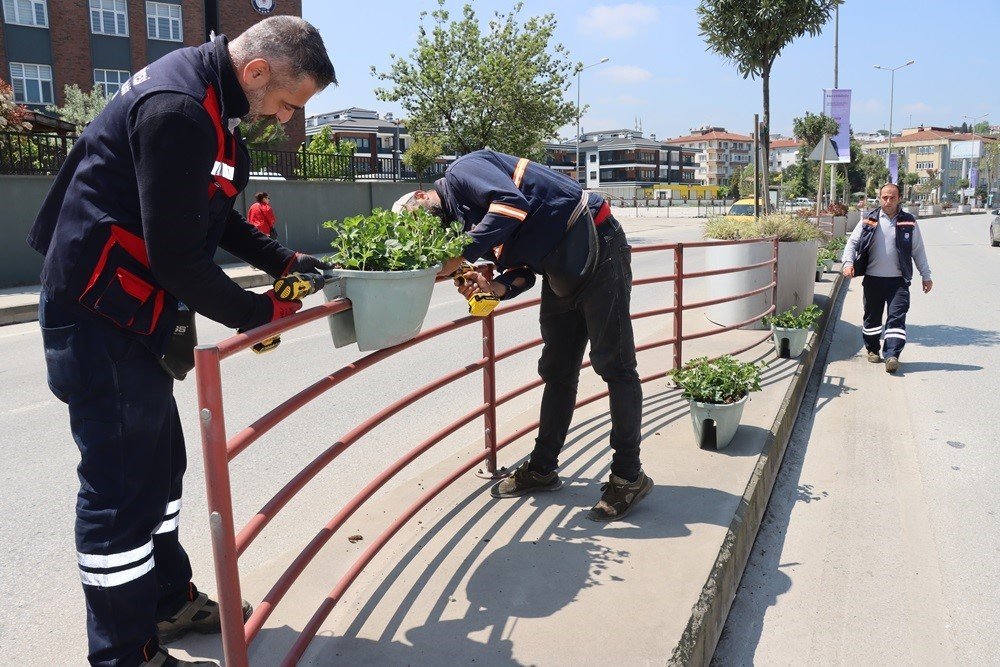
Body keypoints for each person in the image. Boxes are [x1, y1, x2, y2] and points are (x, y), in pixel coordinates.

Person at [26, 17, 335, 667]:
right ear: (255, 72)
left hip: (132, 310)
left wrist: (286, 261)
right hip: (96, 310)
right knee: (120, 494)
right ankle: (123, 652)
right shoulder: (179, 110)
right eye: (286, 103)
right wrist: (257, 314)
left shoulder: (215, 109)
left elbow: (215, 216)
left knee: (161, 472)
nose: (284, 119)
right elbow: (177, 257)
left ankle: (166, 600)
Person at [394, 150, 652, 522]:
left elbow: (511, 204)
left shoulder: (462, 171)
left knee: (616, 367)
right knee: (557, 371)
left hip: (597, 244)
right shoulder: (467, 224)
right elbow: (523, 272)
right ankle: (543, 468)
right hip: (561, 268)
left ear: (420, 197)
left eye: (414, 222)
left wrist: (459, 254)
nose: (421, 232)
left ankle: (629, 476)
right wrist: (494, 288)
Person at [841, 182, 933, 373]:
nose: (888, 201)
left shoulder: (908, 221)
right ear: (880, 198)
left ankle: (892, 354)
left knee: (896, 318)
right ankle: (873, 349)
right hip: (873, 279)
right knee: (872, 318)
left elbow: (918, 251)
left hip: (898, 281)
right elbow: (852, 243)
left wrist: (926, 275)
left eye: (892, 197)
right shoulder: (868, 220)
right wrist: (848, 264)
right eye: (885, 197)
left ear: (899, 198)